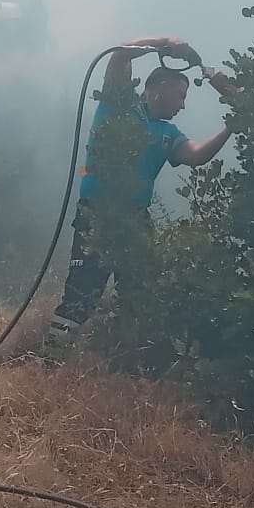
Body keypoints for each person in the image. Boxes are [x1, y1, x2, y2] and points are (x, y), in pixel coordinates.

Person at [44, 35, 239, 351]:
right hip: (97, 215)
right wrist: (163, 42)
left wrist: (234, 124)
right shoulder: (119, 102)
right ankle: (51, 358)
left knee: (139, 295)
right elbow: (120, 56)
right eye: (181, 95)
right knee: (81, 293)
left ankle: (121, 357)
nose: (183, 105)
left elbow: (197, 155)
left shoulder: (168, 133)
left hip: (136, 219)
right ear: (159, 86)